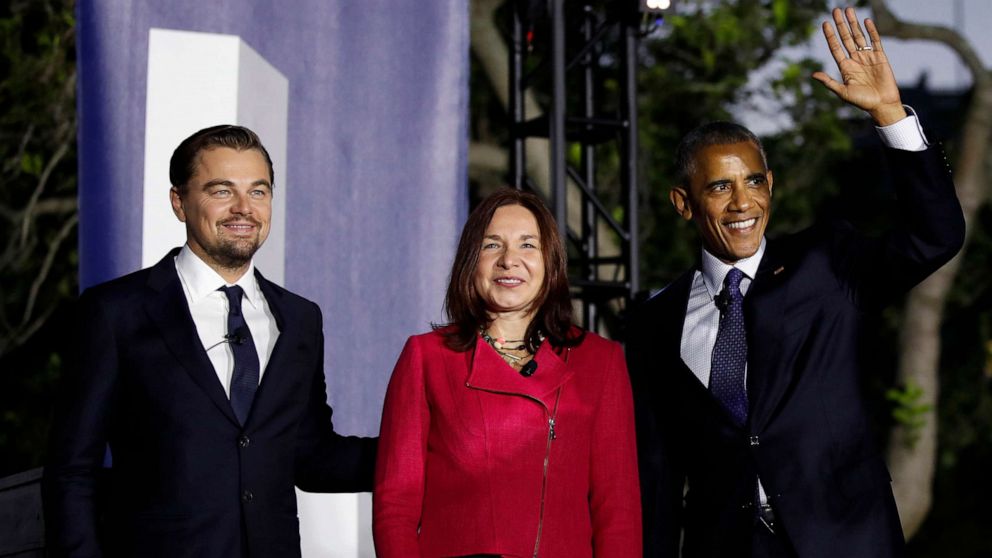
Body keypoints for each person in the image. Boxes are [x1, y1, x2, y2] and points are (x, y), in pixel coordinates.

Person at [627, 7, 965, 558]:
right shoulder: (652, 323)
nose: (743, 203)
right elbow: (658, 476)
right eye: (719, 187)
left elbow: (936, 237)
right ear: (683, 203)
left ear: (771, 184)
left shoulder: (825, 263)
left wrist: (888, 116)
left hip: (846, 542)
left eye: (754, 180)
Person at [43, 125, 377, 557]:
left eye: (259, 192)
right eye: (222, 191)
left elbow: (312, 458)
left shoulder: (300, 319)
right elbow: (71, 471)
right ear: (179, 202)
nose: (244, 208)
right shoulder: (115, 312)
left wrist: (431, 451)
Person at [372, 188, 641, 557]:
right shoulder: (426, 357)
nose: (509, 260)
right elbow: (395, 508)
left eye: (528, 245)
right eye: (492, 245)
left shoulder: (600, 361)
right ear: (471, 261)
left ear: (551, 261)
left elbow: (618, 512)